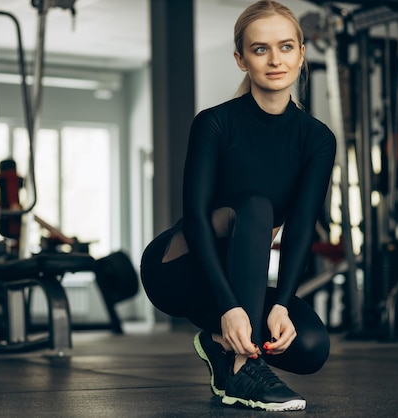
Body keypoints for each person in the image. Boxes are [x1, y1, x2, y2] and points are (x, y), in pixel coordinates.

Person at [140, 0, 336, 412]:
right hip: (178, 270)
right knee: (255, 206)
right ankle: (240, 369)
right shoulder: (215, 123)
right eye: (260, 49)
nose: (275, 60)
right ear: (241, 59)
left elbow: (300, 226)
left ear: (301, 53)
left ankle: (216, 344)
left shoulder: (317, 139)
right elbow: (195, 218)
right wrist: (230, 307)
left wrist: (281, 303)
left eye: (285, 47)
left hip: (240, 278)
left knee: (312, 346)